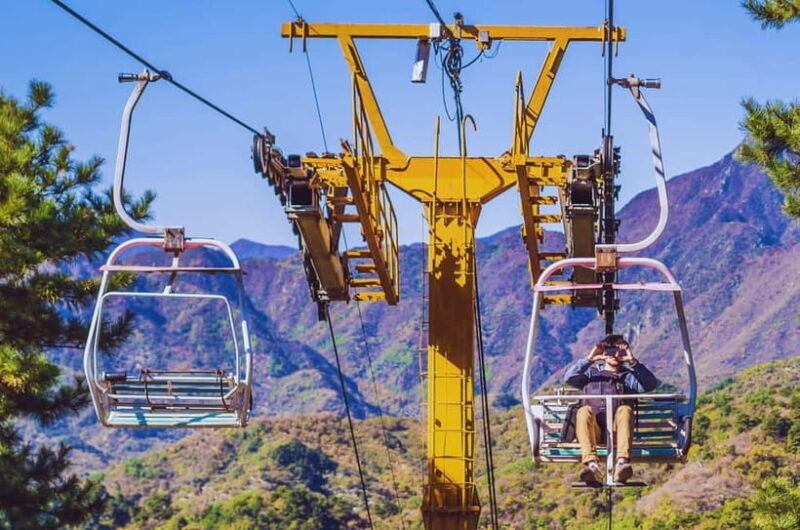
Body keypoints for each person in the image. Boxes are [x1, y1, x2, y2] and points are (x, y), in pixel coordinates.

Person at [563, 334, 658, 484]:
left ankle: (621, 464)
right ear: (603, 352)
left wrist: (632, 361)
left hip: (617, 431)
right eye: (610, 350)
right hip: (594, 431)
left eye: (619, 350)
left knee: (625, 410)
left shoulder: (628, 377)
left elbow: (650, 384)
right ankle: (592, 465)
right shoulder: (590, 374)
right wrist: (590, 358)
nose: (614, 354)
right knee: (583, 411)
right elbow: (569, 377)